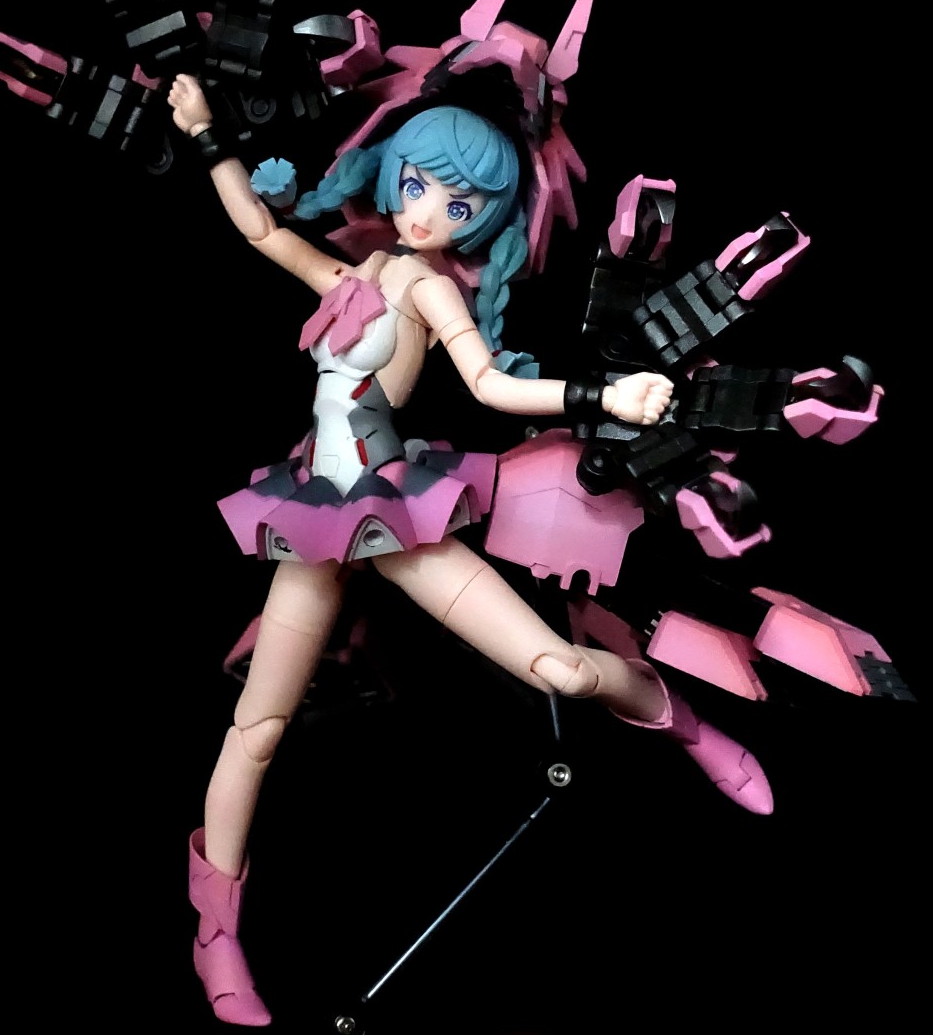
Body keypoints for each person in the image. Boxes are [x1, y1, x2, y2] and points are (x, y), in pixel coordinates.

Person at [167, 75, 773, 1026]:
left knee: (560, 671)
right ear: (392, 174)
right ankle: (216, 933)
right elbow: (257, 230)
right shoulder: (359, 273)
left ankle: (682, 723)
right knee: (258, 729)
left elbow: (489, 385)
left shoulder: (424, 285)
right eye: (418, 186)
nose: (428, 214)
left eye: (460, 205)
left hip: (390, 506)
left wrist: (602, 398)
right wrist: (206, 136)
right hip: (317, 511)